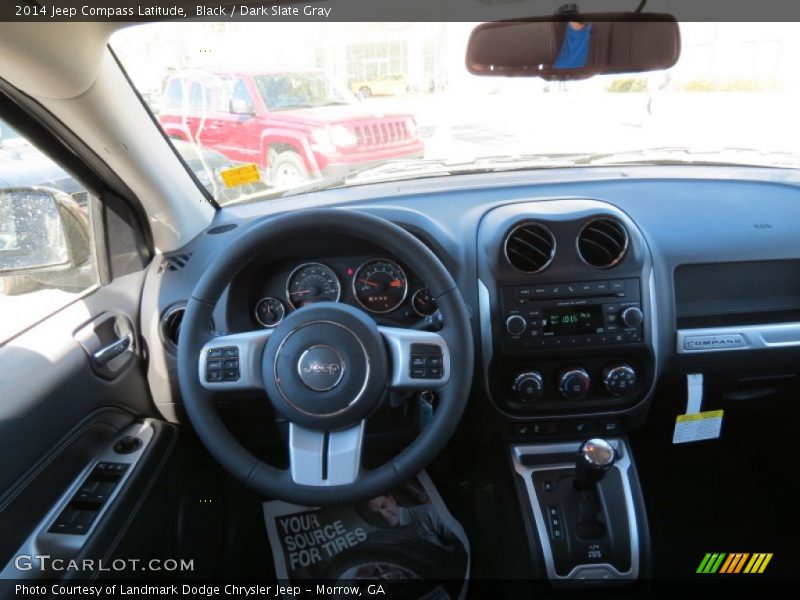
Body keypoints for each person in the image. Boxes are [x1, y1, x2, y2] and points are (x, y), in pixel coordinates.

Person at [364, 493, 460, 551]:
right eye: (376, 514)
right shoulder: (389, 539)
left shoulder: (426, 513)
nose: (384, 515)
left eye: (384, 506)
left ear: (392, 499)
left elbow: (463, 539)